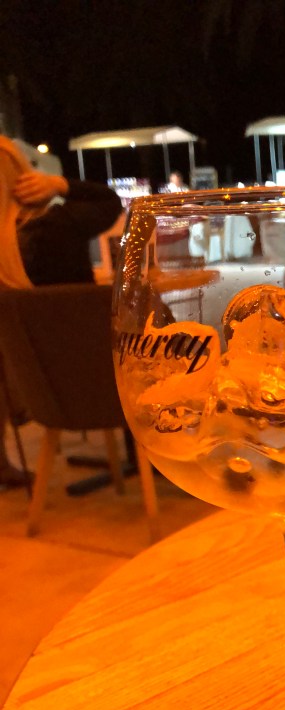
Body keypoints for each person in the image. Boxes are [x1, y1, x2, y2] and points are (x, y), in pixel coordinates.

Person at [0, 136, 123, 487]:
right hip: (99, 381)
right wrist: (60, 185)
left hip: (40, 393)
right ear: (23, 178)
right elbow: (109, 202)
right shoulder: (60, 226)